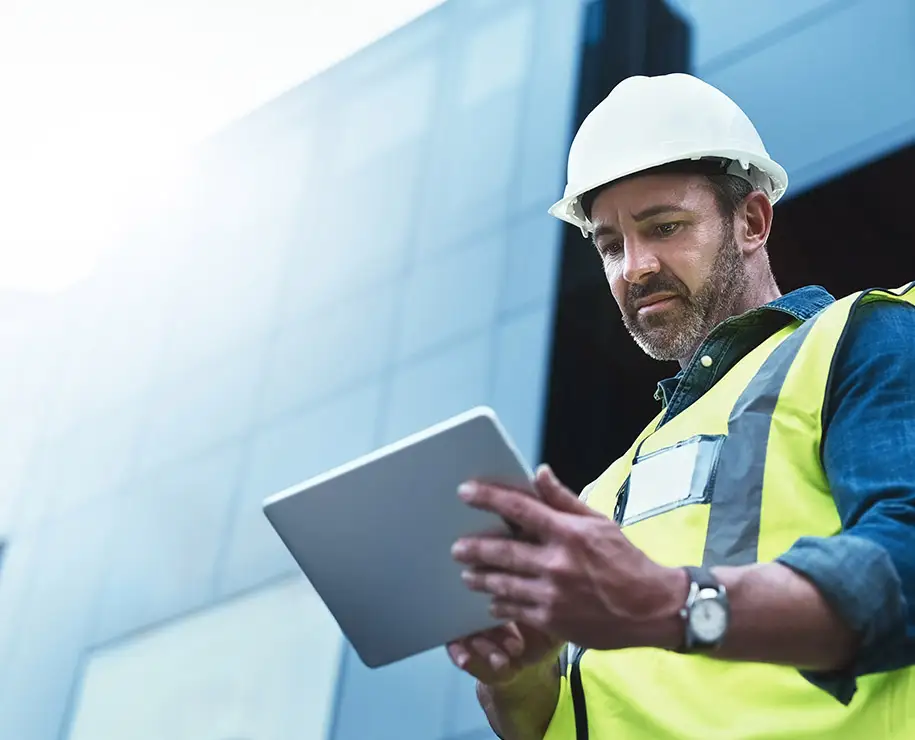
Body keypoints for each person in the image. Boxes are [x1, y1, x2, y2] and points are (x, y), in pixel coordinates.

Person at [446, 72, 915, 739]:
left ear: (750, 221)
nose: (632, 267)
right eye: (609, 245)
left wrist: (670, 604)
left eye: (662, 227)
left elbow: (906, 560)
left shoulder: (862, 336)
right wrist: (518, 676)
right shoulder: (600, 494)